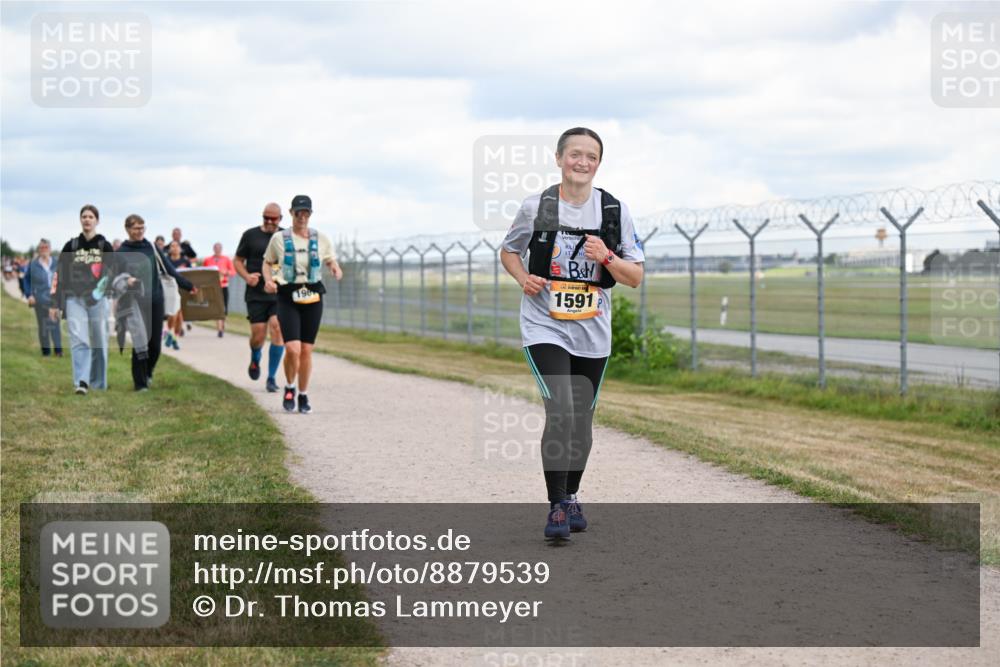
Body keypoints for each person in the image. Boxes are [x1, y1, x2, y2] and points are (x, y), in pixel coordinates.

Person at [500, 128, 645, 540]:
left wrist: (607, 256)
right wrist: (523, 277)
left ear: (599, 163)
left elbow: (634, 276)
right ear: (559, 158)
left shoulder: (614, 211)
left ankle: (573, 494)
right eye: (575, 155)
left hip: (592, 329)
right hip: (544, 323)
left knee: (581, 420)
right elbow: (509, 250)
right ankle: (557, 507)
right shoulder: (538, 206)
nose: (582, 163)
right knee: (561, 410)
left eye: (591, 157)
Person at [262, 195, 343, 413]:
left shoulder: (320, 238)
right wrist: (268, 280)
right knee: (292, 348)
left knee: (306, 350)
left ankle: (303, 394)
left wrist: (335, 267)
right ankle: (290, 387)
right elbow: (267, 262)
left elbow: (329, 258)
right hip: (288, 297)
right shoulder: (279, 239)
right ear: (291, 213)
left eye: (306, 213)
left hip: (313, 296)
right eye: (298, 213)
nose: (302, 217)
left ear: (310, 214)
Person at [115, 214, 197, 391]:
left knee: (155, 346)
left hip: (155, 299)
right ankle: (140, 384)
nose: (140, 231)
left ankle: (148, 372)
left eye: (143, 227)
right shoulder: (121, 253)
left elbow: (169, 269)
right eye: (137, 228)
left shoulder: (151, 247)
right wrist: (126, 281)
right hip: (134, 303)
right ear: (128, 229)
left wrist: (188, 286)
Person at [53, 205, 115, 394]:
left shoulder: (105, 246)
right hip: (74, 300)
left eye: (91, 216)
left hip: (98, 300)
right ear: (80, 220)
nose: (87, 219)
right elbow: (60, 275)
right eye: (84, 216)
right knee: (79, 340)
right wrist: (57, 303)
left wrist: (97, 293)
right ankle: (82, 382)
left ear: (97, 220)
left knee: (99, 341)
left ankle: (98, 382)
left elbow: (110, 273)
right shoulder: (71, 246)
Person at [234, 203, 285, 392]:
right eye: (266, 218)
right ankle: (255, 358)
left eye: (274, 218)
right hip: (256, 294)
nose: (270, 222)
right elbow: (237, 261)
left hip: (279, 294)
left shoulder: (285, 237)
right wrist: (247, 276)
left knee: (277, 328)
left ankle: (271, 378)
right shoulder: (250, 235)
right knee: (259, 336)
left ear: (281, 219)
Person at [24, 238, 63, 357]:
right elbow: (26, 280)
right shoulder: (33, 264)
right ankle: (46, 352)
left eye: (46, 247)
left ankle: (58, 351)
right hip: (39, 299)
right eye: (41, 248)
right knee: (43, 326)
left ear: (50, 249)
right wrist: (29, 295)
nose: (44, 250)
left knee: (54, 324)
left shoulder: (56, 263)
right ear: (39, 250)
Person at [202, 242, 236, 337]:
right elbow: (203, 272)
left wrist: (226, 272)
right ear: (213, 249)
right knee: (216, 307)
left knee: (224, 307)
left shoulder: (226, 259)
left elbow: (233, 272)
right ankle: (219, 328)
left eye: (219, 248)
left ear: (221, 249)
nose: (217, 249)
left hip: (224, 286)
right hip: (213, 287)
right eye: (216, 248)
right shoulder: (208, 260)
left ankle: (222, 323)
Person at [163, 240, 191, 350]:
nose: (174, 248)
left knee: (180, 317)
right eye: (172, 246)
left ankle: (174, 337)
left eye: (176, 246)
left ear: (180, 248)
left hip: (183, 290)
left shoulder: (185, 261)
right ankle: (170, 333)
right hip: (171, 290)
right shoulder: (166, 261)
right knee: (173, 313)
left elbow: (192, 274)